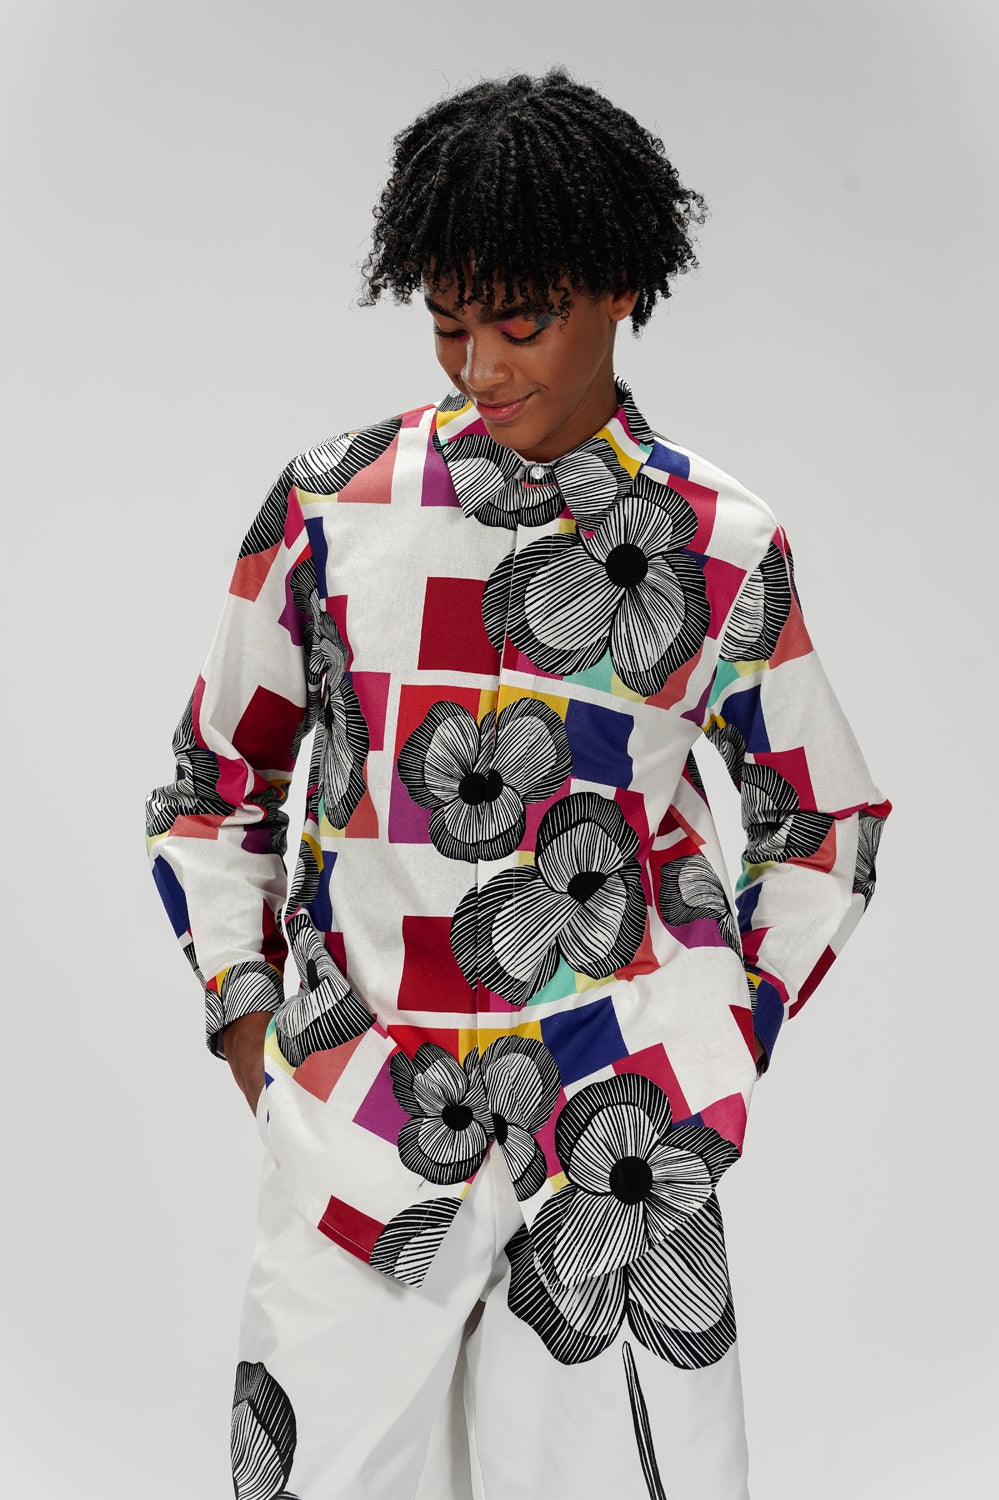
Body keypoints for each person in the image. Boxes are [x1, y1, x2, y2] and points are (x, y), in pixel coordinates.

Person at [145, 66, 891, 1500]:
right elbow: (210, 786)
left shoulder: (717, 543)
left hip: (616, 1147)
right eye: (447, 323)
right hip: (361, 1121)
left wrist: (718, 1038)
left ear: (621, 290)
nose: (478, 369)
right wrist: (256, 1032)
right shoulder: (330, 510)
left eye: (519, 322)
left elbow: (825, 822)